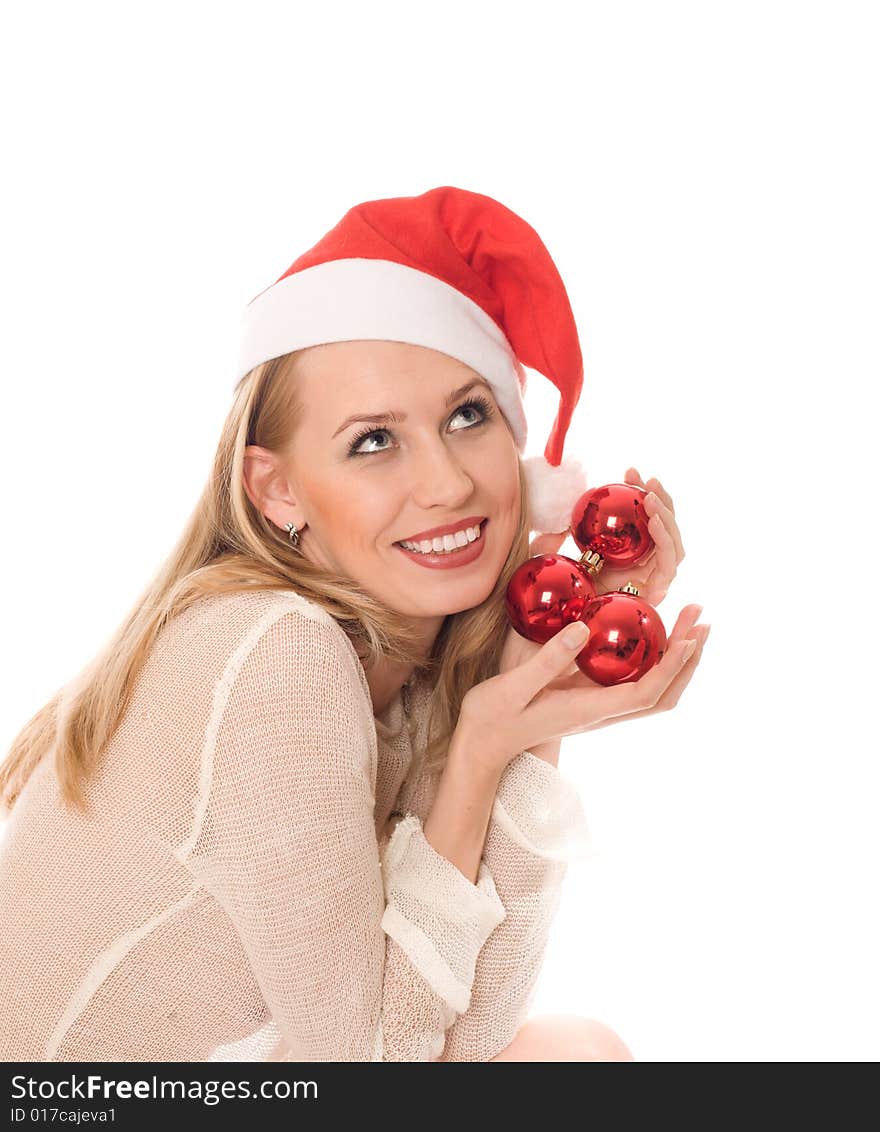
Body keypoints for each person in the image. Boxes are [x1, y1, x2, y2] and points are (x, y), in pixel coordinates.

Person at [0, 186, 707, 1062]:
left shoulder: (398, 663)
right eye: (374, 440)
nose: (448, 484)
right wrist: (485, 754)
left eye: (467, 415)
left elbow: (460, 1038)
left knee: (568, 1053)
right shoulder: (274, 653)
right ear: (276, 489)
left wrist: (527, 713)